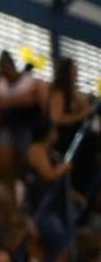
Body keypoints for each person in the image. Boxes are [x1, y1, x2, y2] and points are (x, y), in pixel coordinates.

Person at [25, 119, 79, 262]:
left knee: (63, 245)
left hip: (53, 205)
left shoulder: (49, 151)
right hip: (40, 207)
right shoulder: (36, 150)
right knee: (59, 243)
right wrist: (63, 168)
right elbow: (49, 175)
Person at [49, 57, 97, 194]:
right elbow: (57, 119)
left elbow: (88, 109)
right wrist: (79, 116)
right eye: (74, 71)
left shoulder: (71, 91)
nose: (77, 74)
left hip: (75, 138)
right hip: (63, 140)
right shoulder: (58, 92)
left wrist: (76, 95)